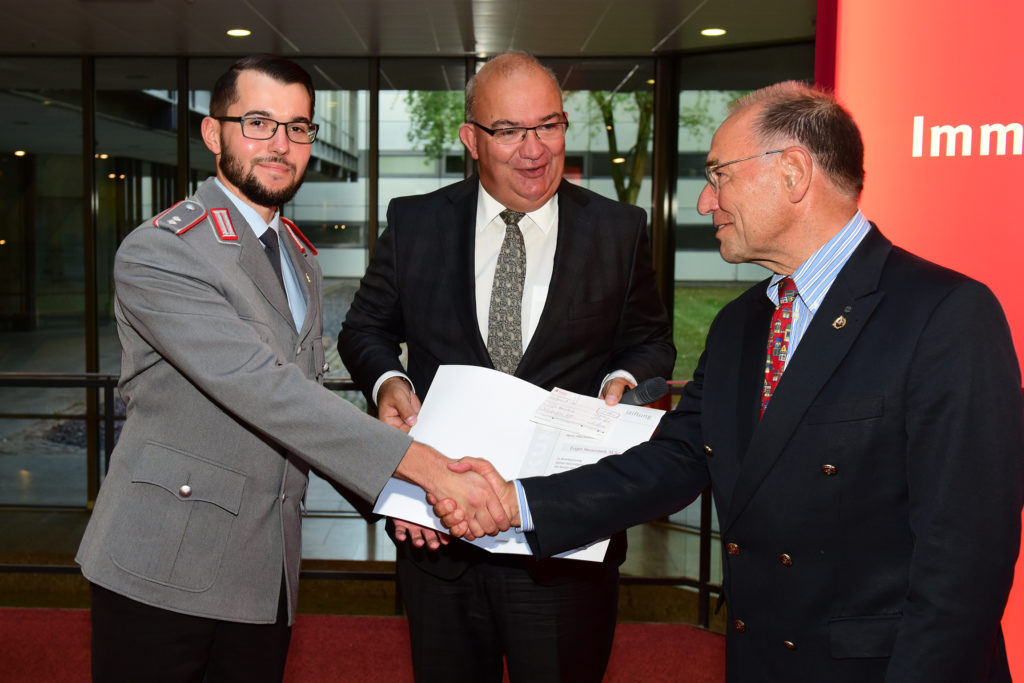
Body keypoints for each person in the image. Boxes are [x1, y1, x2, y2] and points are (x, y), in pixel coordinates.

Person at [439, 81, 1024, 682]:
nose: (703, 201)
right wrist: (517, 501)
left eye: (719, 175)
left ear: (793, 173)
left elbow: (965, 565)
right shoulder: (740, 325)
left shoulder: (946, 315)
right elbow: (673, 460)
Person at [75, 54, 509, 683]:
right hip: (162, 567)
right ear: (212, 133)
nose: (281, 145)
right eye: (258, 123)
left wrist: (401, 499)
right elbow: (265, 390)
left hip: (263, 568)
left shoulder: (298, 257)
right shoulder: (162, 251)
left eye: (298, 127)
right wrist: (426, 473)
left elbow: (298, 414)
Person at [339, 51, 674, 682]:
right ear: (471, 139)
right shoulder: (416, 223)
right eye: (509, 131)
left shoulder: (619, 229)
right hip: (439, 531)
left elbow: (650, 342)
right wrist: (390, 384)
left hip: (563, 538)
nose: (534, 150)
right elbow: (366, 330)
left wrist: (620, 383)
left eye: (548, 126)